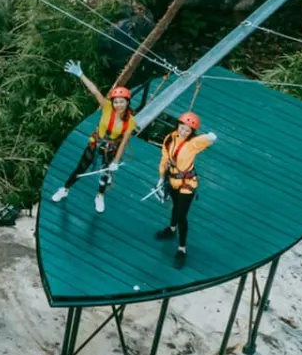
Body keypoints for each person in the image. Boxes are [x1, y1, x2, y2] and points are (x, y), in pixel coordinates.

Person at [49, 60, 135, 213]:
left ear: (127, 102)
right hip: (96, 142)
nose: (118, 105)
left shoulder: (130, 121)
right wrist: (81, 75)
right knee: (81, 167)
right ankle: (65, 189)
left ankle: (100, 196)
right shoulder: (107, 107)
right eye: (116, 102)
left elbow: (123, 143)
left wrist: (115, 161)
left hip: (110, 148)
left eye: (122, 102)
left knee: (105, 173)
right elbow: (95, 91)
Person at [155, 112, 216, 262]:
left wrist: (210, 137)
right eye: (182, 128)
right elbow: (164, 158)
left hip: (187, 183)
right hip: (173, 179)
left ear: (191, 133)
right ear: (178, 126)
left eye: (187, 130)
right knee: (175, 207)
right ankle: (171, 228)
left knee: (182, 215)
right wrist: (161, 177)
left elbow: (204, 140)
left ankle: (182, 248)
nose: (183, 132)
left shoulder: (193, 144)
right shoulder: (170, 139)